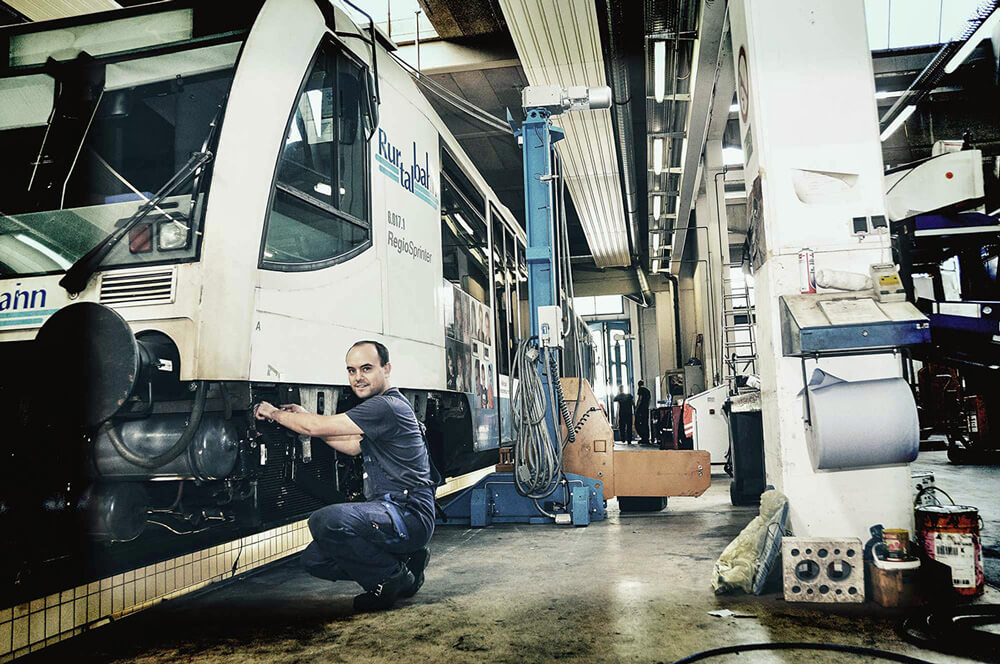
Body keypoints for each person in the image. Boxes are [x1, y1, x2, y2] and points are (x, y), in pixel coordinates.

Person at [254, 340, 435, 612]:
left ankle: (388, 578)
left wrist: (273, 413)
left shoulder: (386, 406)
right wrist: (304, 415)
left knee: (325, 520)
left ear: (386, 369)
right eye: (351, 371)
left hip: (408, 513)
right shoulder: (385, 407)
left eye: (366, 368)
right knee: (315, 559)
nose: (358, 378)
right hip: (392, 512)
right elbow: (351, 445)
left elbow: (317, 427)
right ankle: (404, 568)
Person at [635, 380, 651, 445]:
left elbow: (640, 399)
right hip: (646, 409)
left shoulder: (640, 389)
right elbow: (649, 400)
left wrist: (637, 408)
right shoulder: (647, 391)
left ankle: (643, 437)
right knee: (645, 423)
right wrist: (647, 407)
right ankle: (646, 438)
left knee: (638, 423)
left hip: (641, 409)